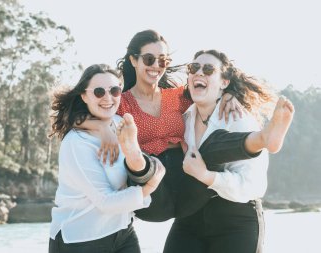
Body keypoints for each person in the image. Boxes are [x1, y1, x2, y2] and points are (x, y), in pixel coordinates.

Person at [78, 30, 254, 222]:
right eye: (149, 59)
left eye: (162, 60)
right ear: (133, 60)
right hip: (151, 190)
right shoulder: (120, 101)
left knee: (210, 146)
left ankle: (260, 141)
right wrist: (103, 128)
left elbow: (207, 92)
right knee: (141, 161)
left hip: (187, 185)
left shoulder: (177, 96)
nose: (156, 66)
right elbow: (76, 115)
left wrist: (228, 94)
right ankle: (138, 157)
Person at [161, 49, 294, 253]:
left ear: (224, 82)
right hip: (190, 215)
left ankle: (265, 139)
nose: (199, 73)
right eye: (194, 68)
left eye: (208, 69)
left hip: (235, 219)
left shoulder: (238, 118)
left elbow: (252, 185)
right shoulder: (183, 116)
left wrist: (207, 176)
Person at [47, 64, 165, 253]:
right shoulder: (76, 143)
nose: (108, 98)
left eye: (115, 90)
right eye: (99, 92)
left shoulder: (120, 124)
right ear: (84, 96)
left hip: (122, 231)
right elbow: (106, 202)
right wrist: (149, 187)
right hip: (80, 240)